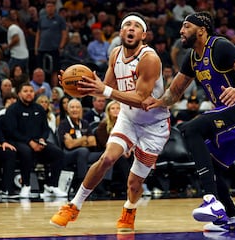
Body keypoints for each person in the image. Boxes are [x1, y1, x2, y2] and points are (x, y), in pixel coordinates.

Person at [142, 12, 235, 232]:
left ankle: (211, 200)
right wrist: (157, 102)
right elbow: (175, 92)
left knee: (191, 129)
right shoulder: (191, 58)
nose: (181, 31)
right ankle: (233, 217)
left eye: (186, 26)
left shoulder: (220, 46)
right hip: (228, 111)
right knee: (208, 163)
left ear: (202, 29)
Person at [50, 12, 170, 233]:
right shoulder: (115, 54)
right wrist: (79, 85)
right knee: (107, 158)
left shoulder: (149, 59)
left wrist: (103, 89)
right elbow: (105, 88)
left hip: (155, 126)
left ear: (143, 35)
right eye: (127, 25)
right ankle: (73, 206)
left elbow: (141, 98)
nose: (131, 28)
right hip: (128, 118)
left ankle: (129, 209)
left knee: (134, 184)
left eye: (136, 26)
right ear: (121, 32)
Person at [4, 82, 67, 198]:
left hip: (38, 141)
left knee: (58, 153)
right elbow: (12, 131)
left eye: (31, 91)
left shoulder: (39, 109)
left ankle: (52, 185)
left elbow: (45, 128)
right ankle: (26, 186)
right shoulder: (13, 109)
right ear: (19, 94)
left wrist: (42, 139)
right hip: (19, 141)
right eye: (25, 91)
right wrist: (30, 142)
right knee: (26, 152)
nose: (29, 94)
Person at [58, 98, 103, 190]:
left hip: (85, 154)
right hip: (68, 154)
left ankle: (102, 185)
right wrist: (84, 139)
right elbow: (69, 145)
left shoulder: (85, 123)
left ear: (81, 109)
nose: (75, 110)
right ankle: (81, 184)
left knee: (105, 155)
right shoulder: (64, 124)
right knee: (83, 151)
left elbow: (93, 142)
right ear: (67, 109)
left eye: (77, 107)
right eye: (72, 107)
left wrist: (75, 141)